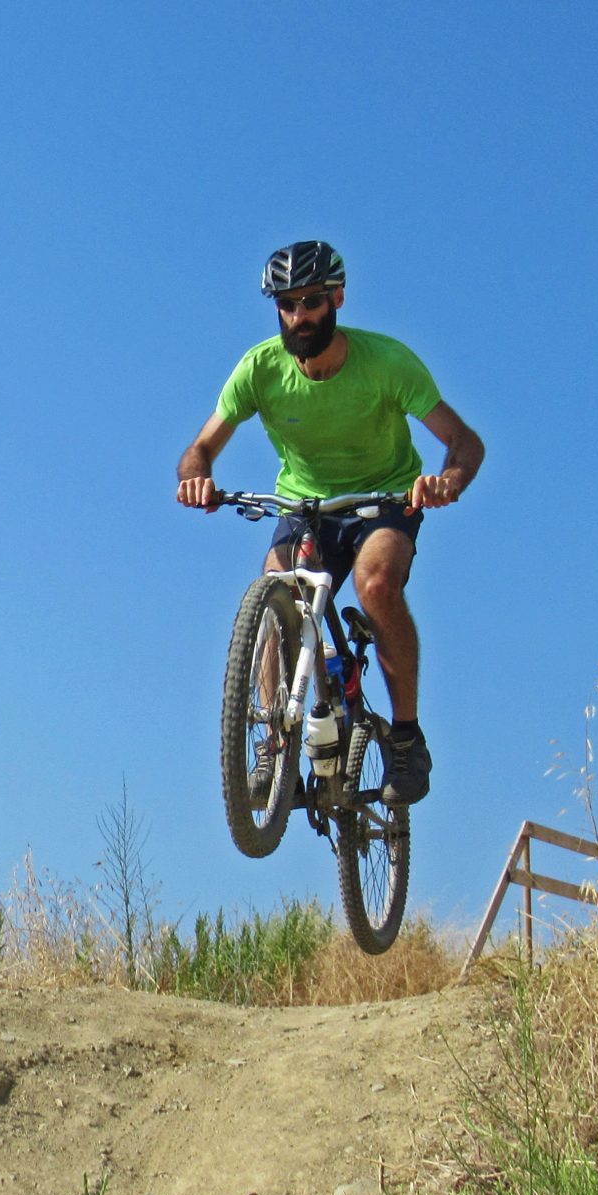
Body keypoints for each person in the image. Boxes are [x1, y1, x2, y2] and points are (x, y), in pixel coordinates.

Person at [176, 240, 485, 803]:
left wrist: (446, 483)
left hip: (385, 500)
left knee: (376, 584)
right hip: (305, 508)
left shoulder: (387, 362)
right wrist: (196, 476)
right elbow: (200, 448)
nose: (300, 316)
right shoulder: (260, 368)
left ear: (337, 298)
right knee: (274, 594)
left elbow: (465, 442)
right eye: (288, 304)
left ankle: (407, 740)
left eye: (312, 301)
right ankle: (273, 752)